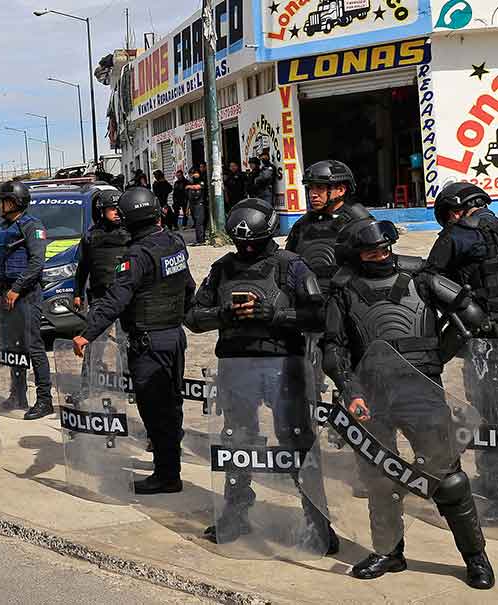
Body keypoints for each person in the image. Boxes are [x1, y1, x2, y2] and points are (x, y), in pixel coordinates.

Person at [323, 218, 493, 588]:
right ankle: (389, 552)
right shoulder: (344, 289)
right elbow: (333, 348)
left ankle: (475, 557)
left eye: (383, 248)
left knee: (448, 479)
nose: (379, 255)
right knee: (379, 476)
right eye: (370, 250)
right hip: (370, 395)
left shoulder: (421, 276)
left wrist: (437, 356)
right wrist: (349, 391)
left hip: (422, 391)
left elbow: (473, 315)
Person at [185, 198, 339, 551]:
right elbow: (193, 318)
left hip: (282, 366)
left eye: (253, 242)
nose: (247, 248)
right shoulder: (223, 269)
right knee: (238, 441)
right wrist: (224, 313)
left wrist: (275, 314)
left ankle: (318, 522)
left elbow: (319, 317)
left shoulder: (291, 267)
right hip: (237, 366)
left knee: (298, 443)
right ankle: (236, 512)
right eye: (241, 243)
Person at [72, 187, 195, 494]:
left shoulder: (136, 255)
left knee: (154, 408)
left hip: (149, 341)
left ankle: (167, 475)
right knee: (172, 404)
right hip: (174, 336)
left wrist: (86, 334)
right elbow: (188, 286)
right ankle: (170, 466)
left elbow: (115, 300)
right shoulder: (174, 243)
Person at [426, 181, 498, 523]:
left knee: (487, 413)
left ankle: (496, 491)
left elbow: (430, 280)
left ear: (454, 211)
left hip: (484, 342)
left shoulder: (457, 235)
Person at [0, 180, 53, 421]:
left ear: (13, 202)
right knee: (13, 347)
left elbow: (36, 262)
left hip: (25, 295)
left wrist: (16, 289)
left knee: (33, 346)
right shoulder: (0, 228)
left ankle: (45, 400)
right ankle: (18, 394)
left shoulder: (31, 226)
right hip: (4, 294)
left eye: (3, 201)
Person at [285, 160, 374, 291]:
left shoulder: (361, 222)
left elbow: (377, 267)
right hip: (310, 296)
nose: (313, 194)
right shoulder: (302, 224)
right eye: (310, 187)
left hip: (347, 295)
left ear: (341, 190)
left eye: (320, 187)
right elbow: (289, 263)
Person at [72, 189, 130, 372]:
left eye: (119, 208)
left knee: (126, 342)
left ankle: (130, 386)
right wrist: (77, 293)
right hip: (100, 296)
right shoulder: (91, 236)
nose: (116, 212)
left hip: (126, 295)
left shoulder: (131, 233)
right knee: (94, 341)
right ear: (102, 211)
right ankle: (87, 385)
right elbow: (83, 267)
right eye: (112, 209)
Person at [187, 167, 208, 245]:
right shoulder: (191, 183)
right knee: (196, 223)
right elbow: (189, 197)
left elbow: (200, 187)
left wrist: (190, 187)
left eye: (194, 173)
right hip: (193, 205)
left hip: (200, 204)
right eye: (191, 174)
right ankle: (198, 239)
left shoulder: (201, 181)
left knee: (199, 222)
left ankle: (201, 240)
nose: (193, 175)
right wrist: (187, 208)